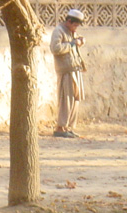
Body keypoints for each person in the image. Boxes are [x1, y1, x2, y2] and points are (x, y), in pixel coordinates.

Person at [50, 8, 86, 139]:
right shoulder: (58, 31)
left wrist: (79, 42)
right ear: (69, 21)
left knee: (75, 99)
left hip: (75, 69)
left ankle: (68, 127)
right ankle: (60, 127)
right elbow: (55, 48)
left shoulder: (71, 32)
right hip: (65, 71)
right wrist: (72, 44)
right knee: (66, 99)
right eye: (75, 25)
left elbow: (73, 45)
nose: (76, 28)